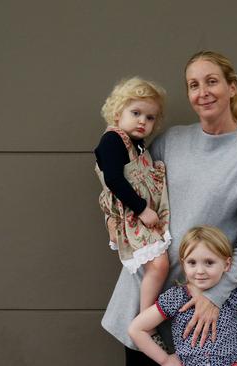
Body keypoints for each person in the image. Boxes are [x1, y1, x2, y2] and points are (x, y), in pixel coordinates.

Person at [102, 51, 237, 365]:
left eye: (212, 82)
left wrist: (214, 295)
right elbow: (126, 185)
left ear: (232, 87)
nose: (202, 92)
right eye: (194, 85)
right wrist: (113, 221)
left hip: (196, 308)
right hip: (143, 298)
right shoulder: (171, 140)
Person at [129, 226, 237, 366]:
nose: (200, 270)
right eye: (192, 262)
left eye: (209, 262)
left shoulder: (236, 294)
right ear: (183, 264)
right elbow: (136, 329)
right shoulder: (176, 298)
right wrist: (165, 360)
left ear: (227, 264)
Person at [94, 77, 171, 334]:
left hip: (140, 213)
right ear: (118, 113)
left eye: (150, 118)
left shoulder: (136, 143)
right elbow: (114, 179)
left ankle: (144, 320)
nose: (142, 121)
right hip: (132, 213)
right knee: (159, 265)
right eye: (136, 113)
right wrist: (142, 209)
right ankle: (145, 325)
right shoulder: (112, 141)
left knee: (159, 266)